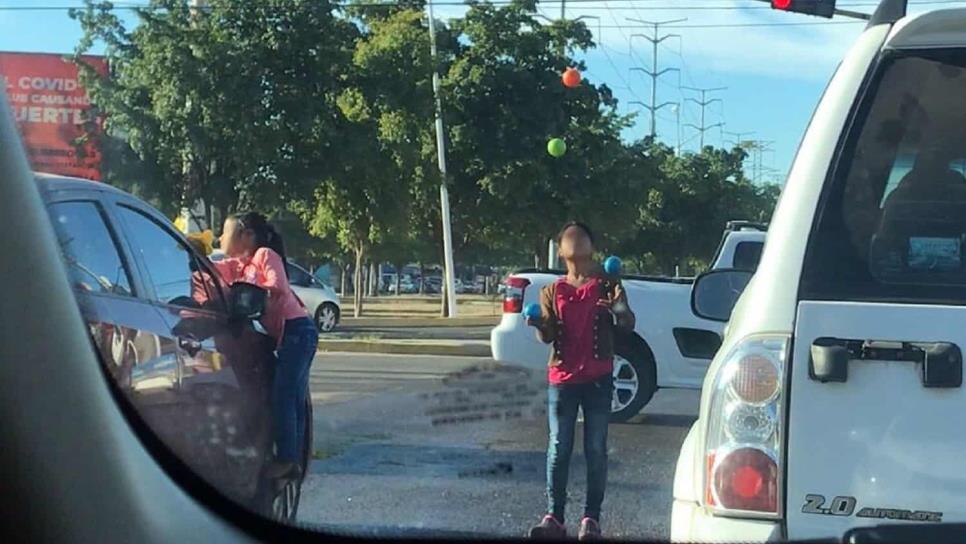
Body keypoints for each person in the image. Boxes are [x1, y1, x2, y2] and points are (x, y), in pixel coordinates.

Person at [527, 221, 635, 541]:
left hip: (598, 379)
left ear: (592, 246)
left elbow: (627, 323)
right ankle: (554, 517)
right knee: (559, 447)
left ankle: (591, 519)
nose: (575, 234)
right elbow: (546, 335)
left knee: (596, 449)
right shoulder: (550, 290)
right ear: (560, 250)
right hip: (562, 379)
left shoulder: (608, 284)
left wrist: (615, 307)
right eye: (568, 234)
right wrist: (536, 322)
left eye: (582, 232)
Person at [214, 212, 318, 479]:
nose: (219, 238)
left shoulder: (264, 256)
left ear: (246, 235)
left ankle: (287, 459)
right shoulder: (244, 263)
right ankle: (293, 460)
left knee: (284, 395)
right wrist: (196, 253)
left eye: (224, 232)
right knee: (292, 396)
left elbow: (278, 286)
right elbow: (217, 270)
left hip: (297, 331)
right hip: (294, 333)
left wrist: (259, 295)